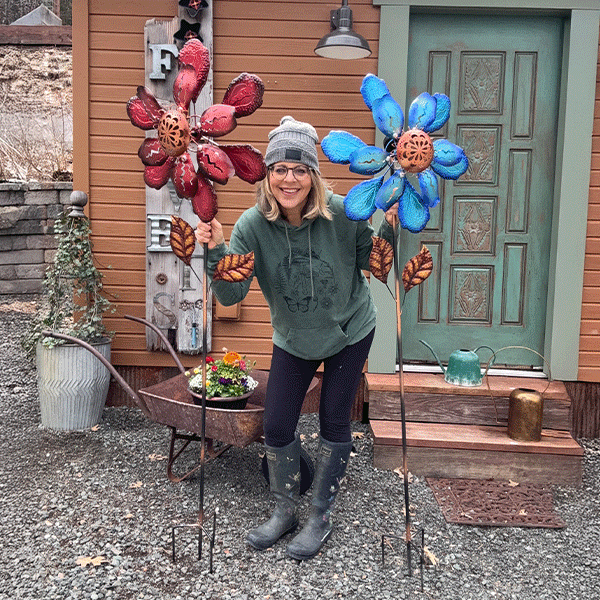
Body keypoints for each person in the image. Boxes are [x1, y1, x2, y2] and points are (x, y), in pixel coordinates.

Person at [195, 116, 397, 560]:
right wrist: (215, 251)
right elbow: (230, 294)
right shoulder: (252, 226)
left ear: (313, 175)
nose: (290, 179)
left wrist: (389, 225)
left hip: (349, 330)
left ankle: (320, 516)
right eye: (280, 169)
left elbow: (376, 265)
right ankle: (285, 510)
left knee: (333, 420)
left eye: (300, 169)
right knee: (277, 425)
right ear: (268, 174)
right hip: (293, 336)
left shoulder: (343, 213)